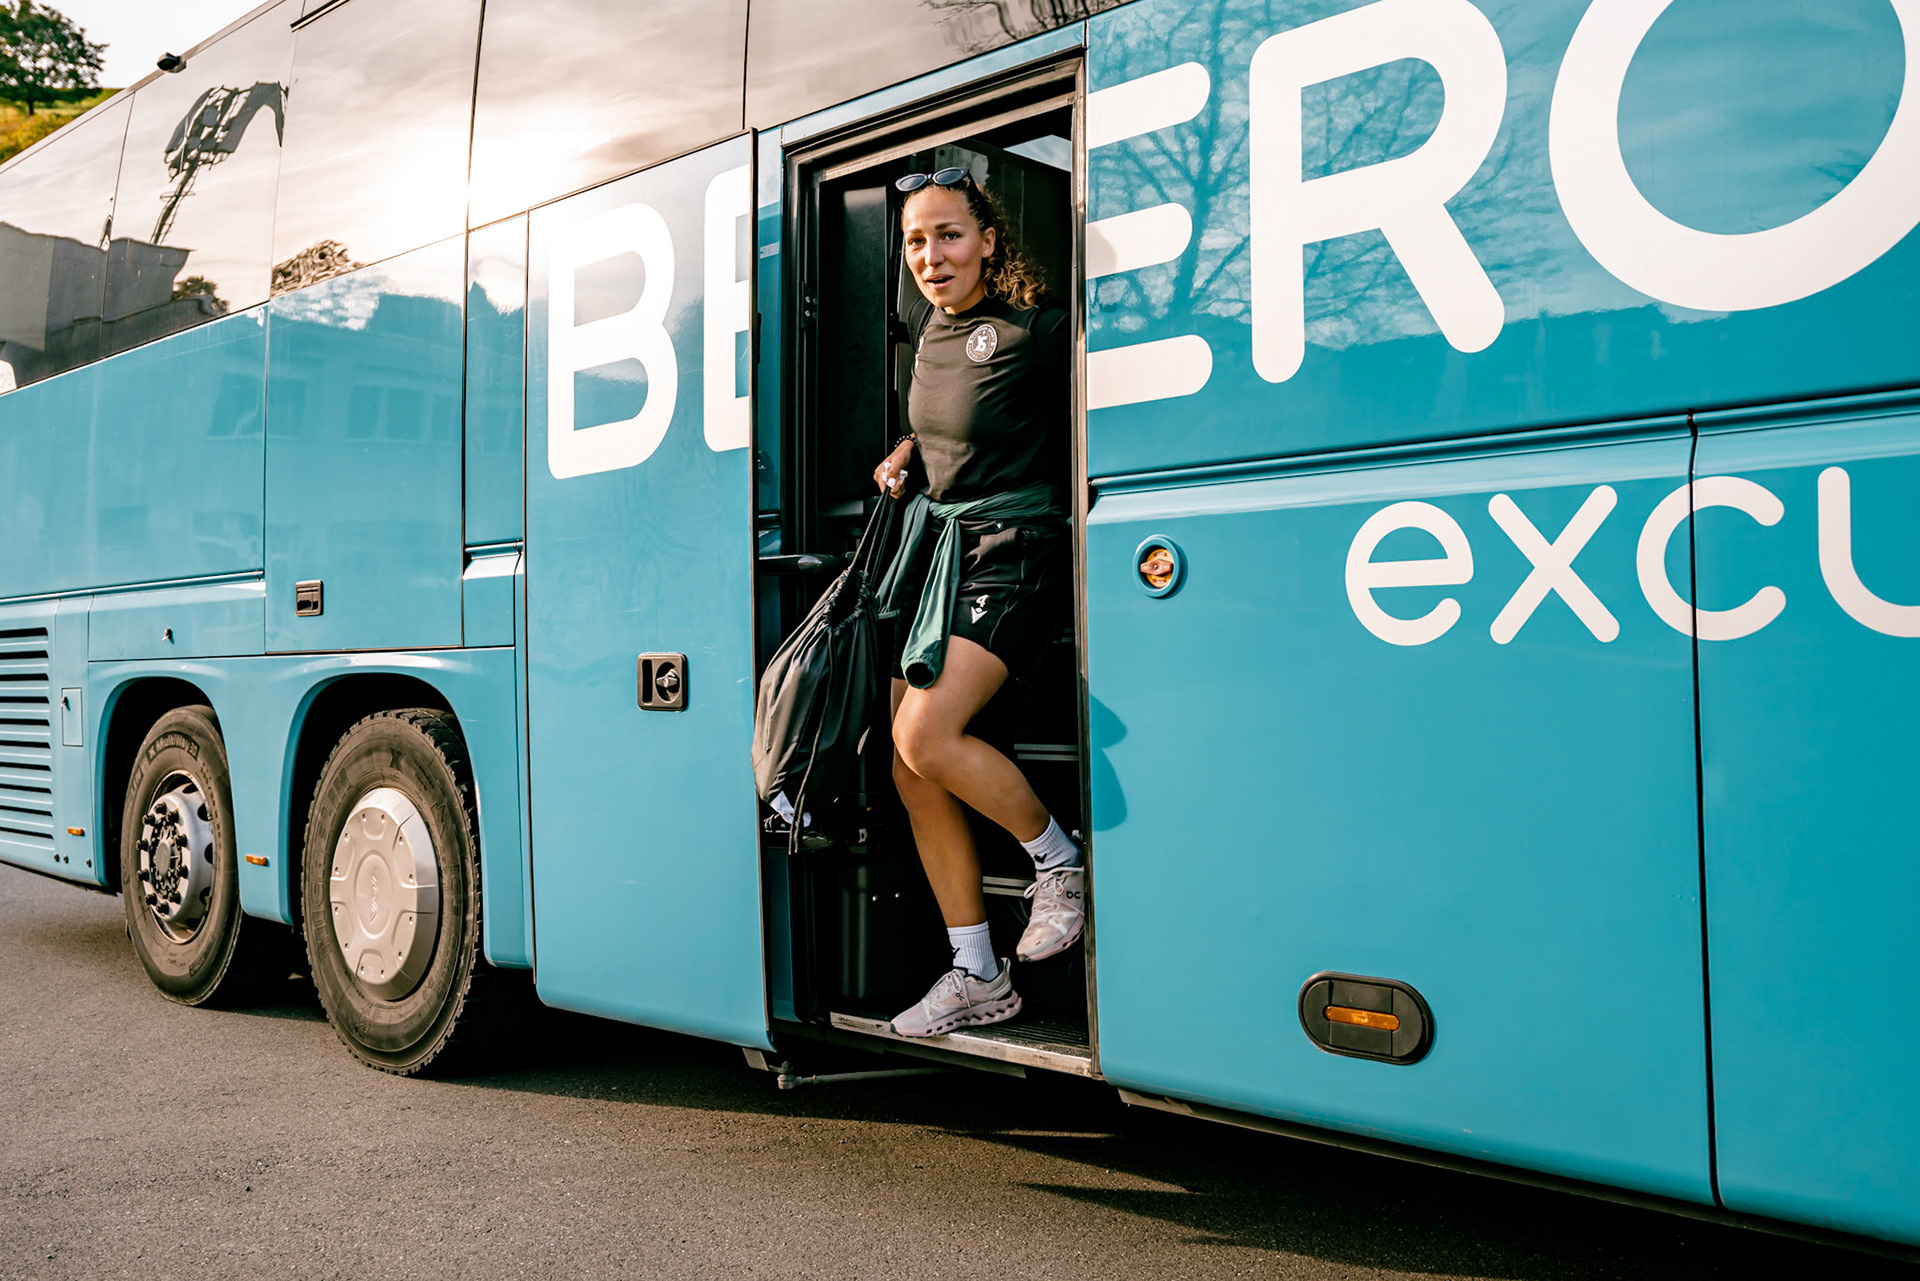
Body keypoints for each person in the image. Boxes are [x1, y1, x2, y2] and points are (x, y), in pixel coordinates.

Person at [871, 166, 1084, 1038]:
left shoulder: (1038, 331)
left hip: (1013, 552)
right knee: (908, 766)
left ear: (989, 242)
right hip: (941, 557)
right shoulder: (928, 334)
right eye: (916, 241)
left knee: (926, 735)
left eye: (950, 235)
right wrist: (908, 450)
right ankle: (979, 973)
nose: (932, 255)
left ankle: (1059, 866)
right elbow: (955, 421)